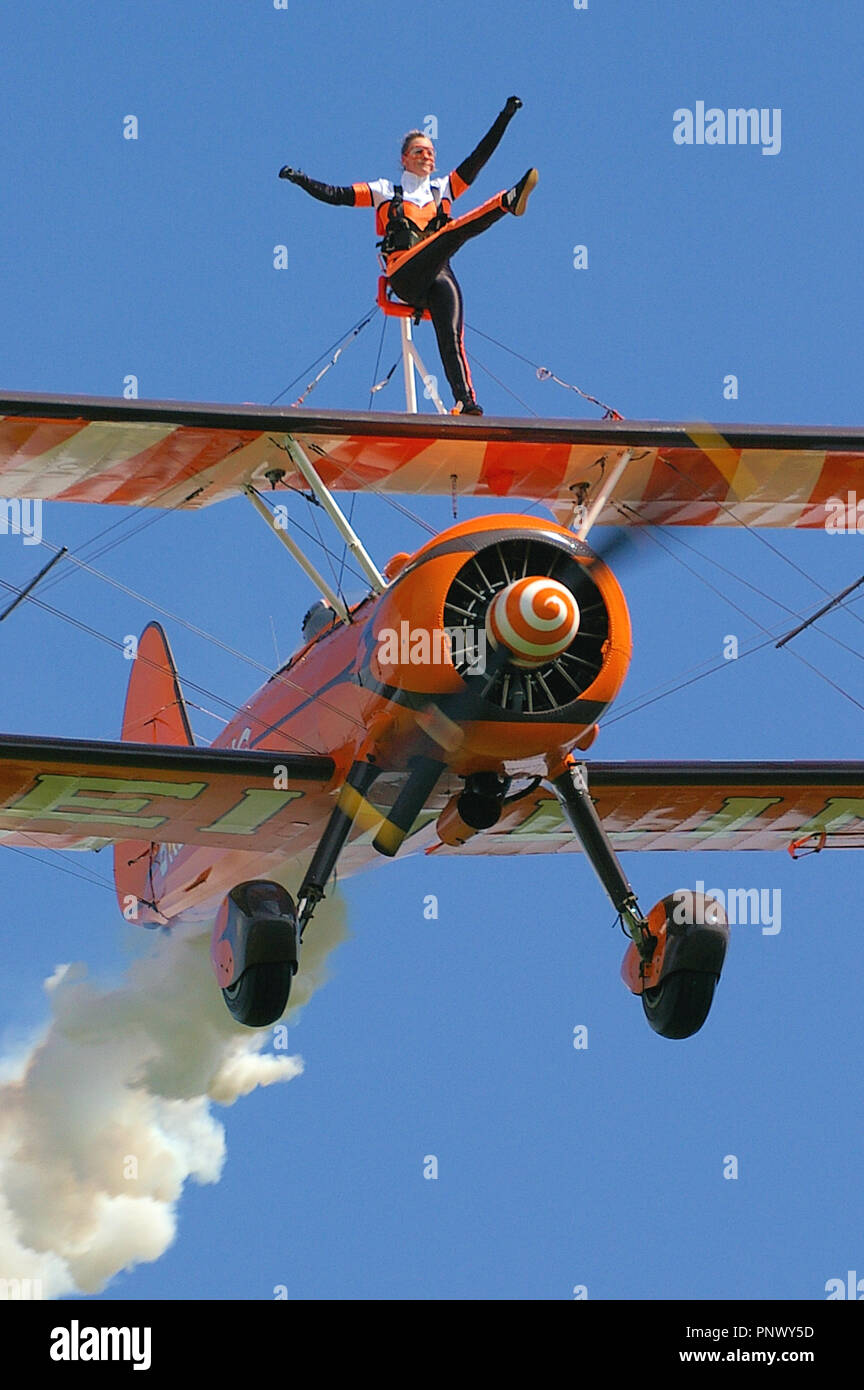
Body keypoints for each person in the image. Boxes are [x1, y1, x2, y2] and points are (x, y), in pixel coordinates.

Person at [279, 98, 537, 415]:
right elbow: (336, 195)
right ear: (404, 159)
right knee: (451, 233)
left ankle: (465, 403)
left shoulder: (443, 188)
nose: (426, 155)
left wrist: (505, 115)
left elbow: (478, 157)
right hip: (405, 275)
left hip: (439, 273)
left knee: (452, 338)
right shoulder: (384, 190)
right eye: (419, 151)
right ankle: (505, 203)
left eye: (430, 151)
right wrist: (302, 179)